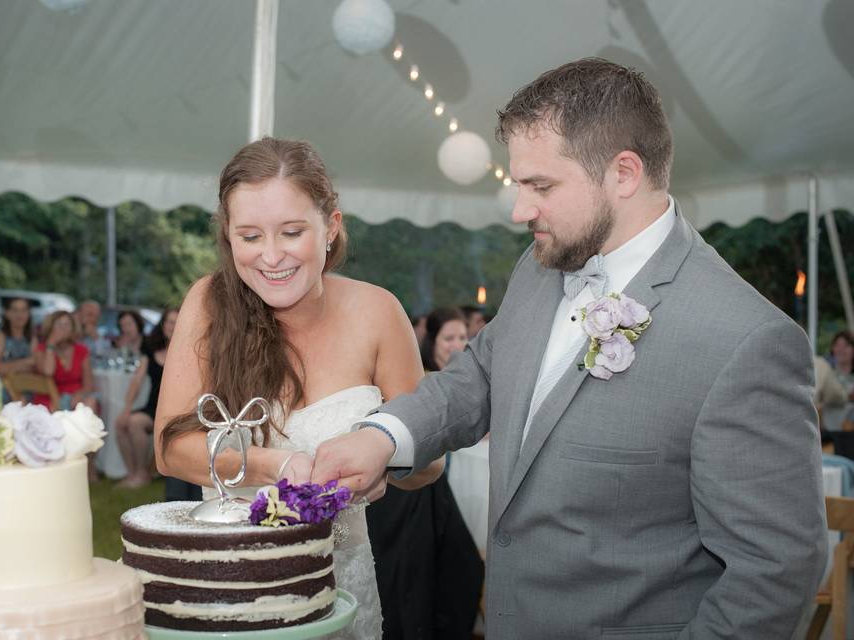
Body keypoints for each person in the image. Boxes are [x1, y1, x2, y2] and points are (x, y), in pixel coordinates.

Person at [313, 58, 826, 638]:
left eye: (541, 186)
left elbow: (776, 570)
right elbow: (478, 375)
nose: (520, 210)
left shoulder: (747, 341)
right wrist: (384, 436)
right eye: (518, 185)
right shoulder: (538, 268)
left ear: (624, 173)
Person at [154, 137, 443, 640]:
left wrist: (384, 458)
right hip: (228, 575)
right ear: (227, 235)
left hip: (337, 581)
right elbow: (170, 449)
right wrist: (280, 466)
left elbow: (429, 462)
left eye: (291, 232)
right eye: (249, 236)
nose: (271, 257)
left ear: (331, 227)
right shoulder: (209, 304)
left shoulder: (379, 312)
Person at [367, 306, 483, 639]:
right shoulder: (427, 381)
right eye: (449, 337)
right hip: (391, 495)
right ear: (432, 340)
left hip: (421, 483)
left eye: (463, 337)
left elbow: (430, 463)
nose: (456, 344)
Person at [115, 308, 178, 489]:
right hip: (153, 406)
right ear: (163, 324)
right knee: (121, 423)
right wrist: (126, 408)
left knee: (135, 423)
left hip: (175, 409)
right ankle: (133, 472)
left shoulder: (187, 350)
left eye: (176, 322)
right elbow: (137, 380)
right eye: (168, 322)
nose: (171, 326)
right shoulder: (151, 349)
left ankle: (143, 474)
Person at [34, 310, 98, 412]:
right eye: (59, 324)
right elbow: (48, 371)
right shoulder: (42, 349)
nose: (63, 328)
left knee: (89, 403)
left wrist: (79, 394)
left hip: (75, 397)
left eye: (67, 324)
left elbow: (88, 385)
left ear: (72, 328)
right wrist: (51, 345)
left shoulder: (81, 350)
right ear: (51, 328)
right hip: (50, 398)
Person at [0, 297, 36, 404]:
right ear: (7, 313)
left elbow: (35, 365)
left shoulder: (32, 338)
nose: (20, 315)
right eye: (15, 310)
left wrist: (9, 367)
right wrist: (24, 363)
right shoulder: (0, 338)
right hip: (10, 394)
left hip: (34, 393)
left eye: (24, 310)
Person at [822, 329, 854, 431]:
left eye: (846, 346)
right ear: (833, 348)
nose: (841, 349)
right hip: (829, 434)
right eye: (837, 345)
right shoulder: (825, 374)